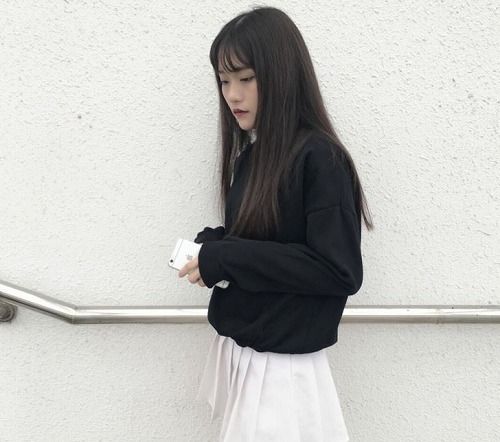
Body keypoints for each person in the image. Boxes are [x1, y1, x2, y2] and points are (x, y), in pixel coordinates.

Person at [179, 6, 373, 441]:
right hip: (249, 354)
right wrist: (216, 245)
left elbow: (337, 269)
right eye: (224, 81)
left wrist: (229, 256)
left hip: (283, 371)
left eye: (246, 78)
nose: (232, 95)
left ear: (282, 74)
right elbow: (269, 240)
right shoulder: (254, 155)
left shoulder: (320, 158)